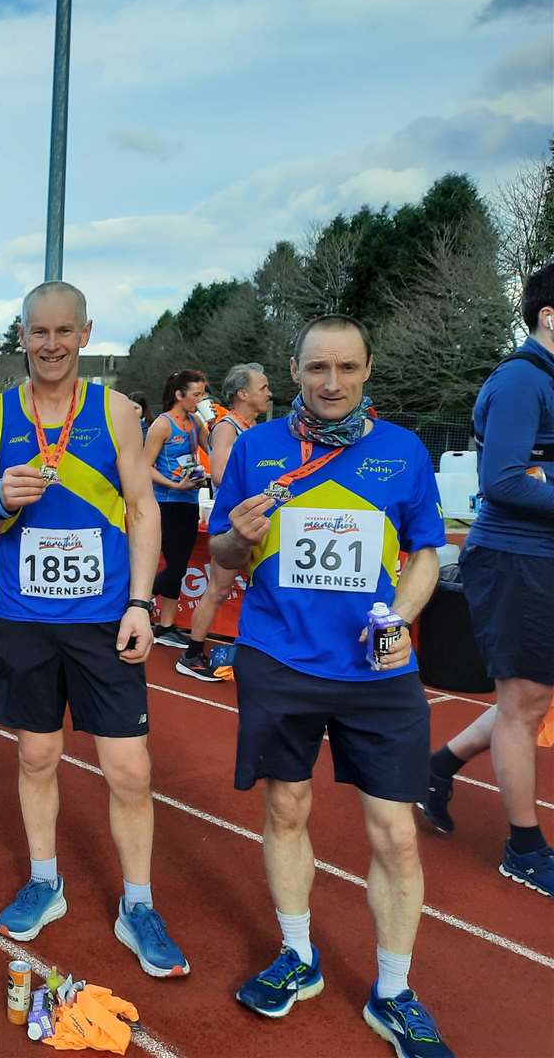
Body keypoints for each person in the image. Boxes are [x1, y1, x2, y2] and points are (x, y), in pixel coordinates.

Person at [209, 315, 452, 1055]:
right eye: (318, 368)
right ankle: (297, 955)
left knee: (396, 835)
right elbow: (221, 552)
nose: (333, 383)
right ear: (294, 370)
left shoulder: (403, 452)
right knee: (286, 807)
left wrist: (398, 621)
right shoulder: (256, 449)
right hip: (279, 660)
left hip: (375, 669)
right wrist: (238, 534)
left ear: (368, 369)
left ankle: (395, 990)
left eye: (347, 368)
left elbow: (427, 556)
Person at [0, 282, 189, 977]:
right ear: (22, 335)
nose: (52, 344)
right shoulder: (0, 415)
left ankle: (139, 904)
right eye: (39, 332)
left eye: (65, 331)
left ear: (85, 334)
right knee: (36, 758)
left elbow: (144, 509)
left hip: (102, 621)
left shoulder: (115, 410)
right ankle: (44, 880)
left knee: (129, 769)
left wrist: (141, 603)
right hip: (26, 620)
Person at [420, 262, 554, 898]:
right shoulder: (523, 382)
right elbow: (501, 481)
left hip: (539, 558)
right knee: (523, 704)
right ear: (548, 316)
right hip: (515, 559)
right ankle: (523, 847)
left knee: (527, 701)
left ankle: (437, 767)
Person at [176, 363, 272, 682]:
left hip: (256, 520)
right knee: (218, 590)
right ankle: (191, 655)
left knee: (256, 589)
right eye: (263, 387)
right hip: (234, 523)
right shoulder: (227, 427)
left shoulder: (254, 429)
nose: (269, 393)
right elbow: (218, 474)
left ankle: (238, 657)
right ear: (243, 394)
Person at [142, 368, 208, 647]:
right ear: (180, 395)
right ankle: (134, 600)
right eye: (196, 394)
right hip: (167, 502)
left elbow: (215, 447)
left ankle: (166, 625)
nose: (201, 398)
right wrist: (173, 484)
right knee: (175, 565)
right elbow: (144, 466)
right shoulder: (162, 425)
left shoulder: (195, 421)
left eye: (203, 393)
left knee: (179, 566)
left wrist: (214, 424)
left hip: (190, 500)